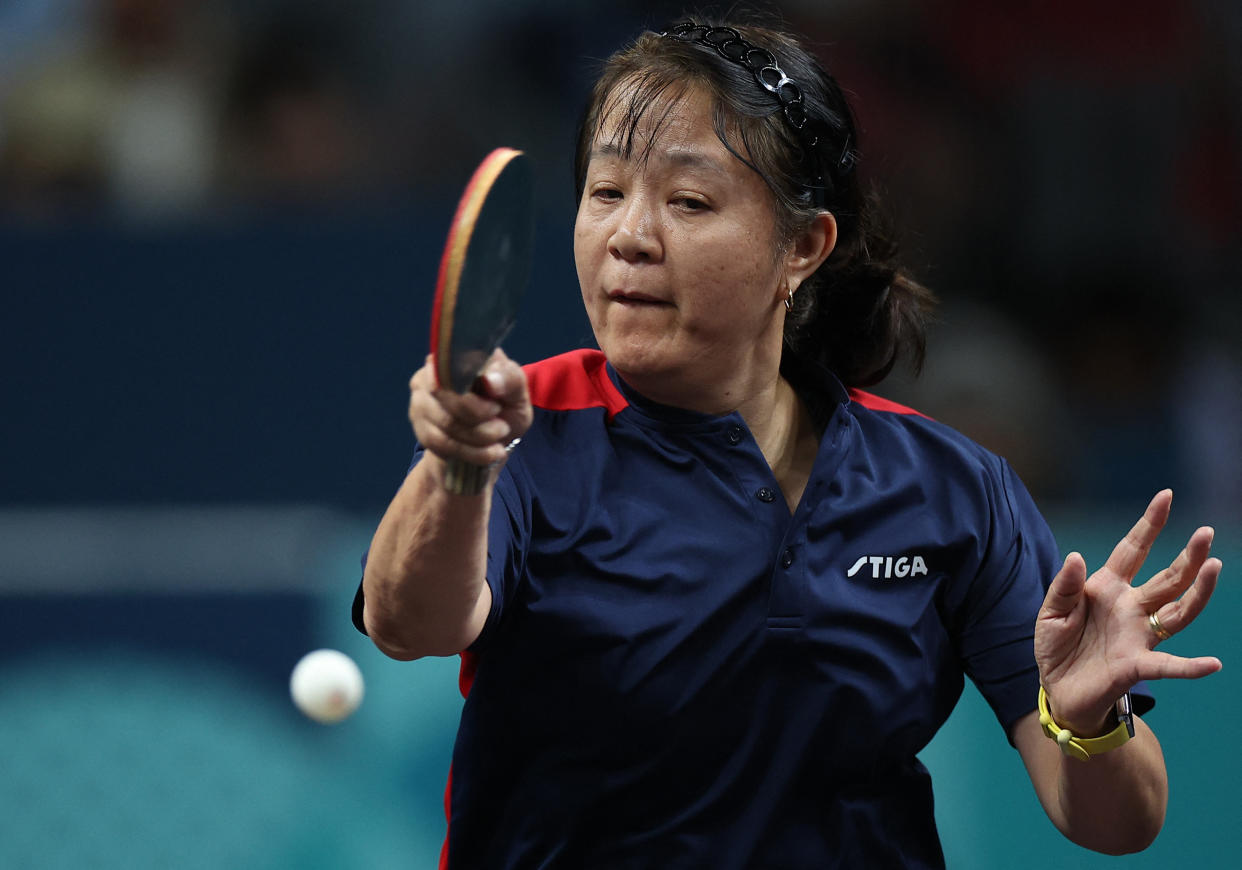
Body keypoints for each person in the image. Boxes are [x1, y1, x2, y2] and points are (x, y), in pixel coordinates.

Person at [354, 14, 1222, 869]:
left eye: (688, 201)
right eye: (606, 191)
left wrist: (1092, 721)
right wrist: (457, 468)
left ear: (801, 247)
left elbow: (1119, 824)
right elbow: (408, 624)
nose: (629, 237)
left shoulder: (949, 490)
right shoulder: (527, 426)